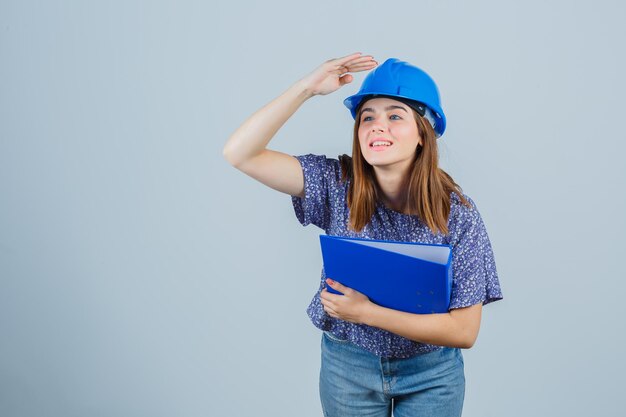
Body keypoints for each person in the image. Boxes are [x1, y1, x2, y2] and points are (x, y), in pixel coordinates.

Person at [223, 52, 503, 417]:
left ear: (424, 133)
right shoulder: (337, 185)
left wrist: (366, 312)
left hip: (431, 373)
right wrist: (306, 89)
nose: (376, 125)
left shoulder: (458, 215)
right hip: (348, 367)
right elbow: (239, 153)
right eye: (367, 117)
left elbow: (464, 331)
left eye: (395, 116)